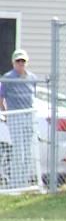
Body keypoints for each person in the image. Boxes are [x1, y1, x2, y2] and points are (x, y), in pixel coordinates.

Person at [0, 49, 37, 188]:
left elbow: (33, 97)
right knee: (18, 150)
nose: (21, 63)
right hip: (15, 116)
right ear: (13, 62)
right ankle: (15, 184)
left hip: (29, 116)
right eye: (18, 61)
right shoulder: (8, 77)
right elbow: (1, 97)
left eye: (23, 61)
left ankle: (25, 182)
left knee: (28, 151)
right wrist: (6, 113)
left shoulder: (32, 77)